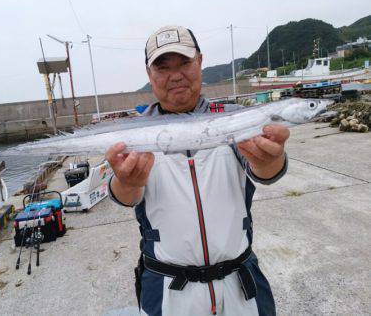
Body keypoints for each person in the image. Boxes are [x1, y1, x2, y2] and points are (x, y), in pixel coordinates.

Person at [105, 26, 289, 316]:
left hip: (240, 285)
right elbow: (122, 195)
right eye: (163, 67)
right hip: (168, 291)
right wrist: (127, 182)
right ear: (150, 75)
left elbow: (265, 172)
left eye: (184, 63)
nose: (175, 75)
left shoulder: (232, 120)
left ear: (200, 62)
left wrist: (269, 161)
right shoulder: (134, 134)